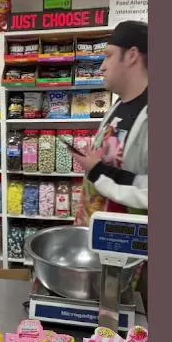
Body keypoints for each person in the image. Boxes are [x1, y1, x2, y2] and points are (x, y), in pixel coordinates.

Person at [72, 20, 149, 223]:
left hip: (127, 238)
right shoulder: (117, 106)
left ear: (131, 55)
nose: (102, 67)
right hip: (97, 231)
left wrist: (98, 171)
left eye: (108, 56)